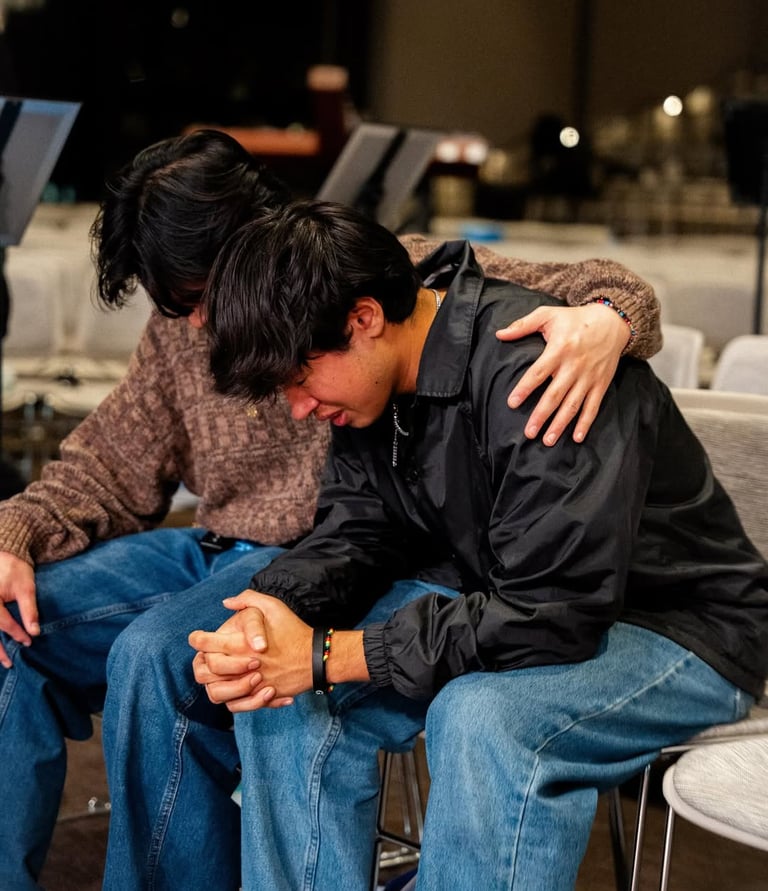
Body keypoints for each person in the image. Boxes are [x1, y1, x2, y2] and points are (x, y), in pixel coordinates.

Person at [0, 129, 661, 891]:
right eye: (175, 305)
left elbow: (610, 284)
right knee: (15, 619)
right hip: (209, 544)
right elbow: (109, 463)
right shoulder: (178, 333)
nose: (197, 324)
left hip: (327, 554)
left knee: (158, 655)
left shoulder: (376, 275)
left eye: (200, 296)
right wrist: (16, 533)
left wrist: (605, 317)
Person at [190, 200, 768, 891]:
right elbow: (360, 526)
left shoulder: (540, 370)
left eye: (297, 378)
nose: (299, 407)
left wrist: (326, 655)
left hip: (685, 630)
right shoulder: (375, 387)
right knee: (276, 691)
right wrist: (275, 612)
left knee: (483, 720)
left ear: (364, 318)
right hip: (515, 598)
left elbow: (552, 613)